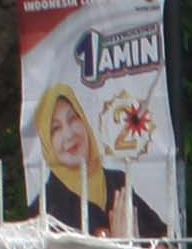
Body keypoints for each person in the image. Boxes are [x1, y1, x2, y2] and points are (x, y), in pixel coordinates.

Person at [35, 87, 170, 239]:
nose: (69, 134)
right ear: (47, 142)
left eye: (72, 118)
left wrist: (140, 244)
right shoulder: (45, 205)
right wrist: (119, 246)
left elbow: (164, 239)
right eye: (56, 128)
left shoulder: (116, 182)